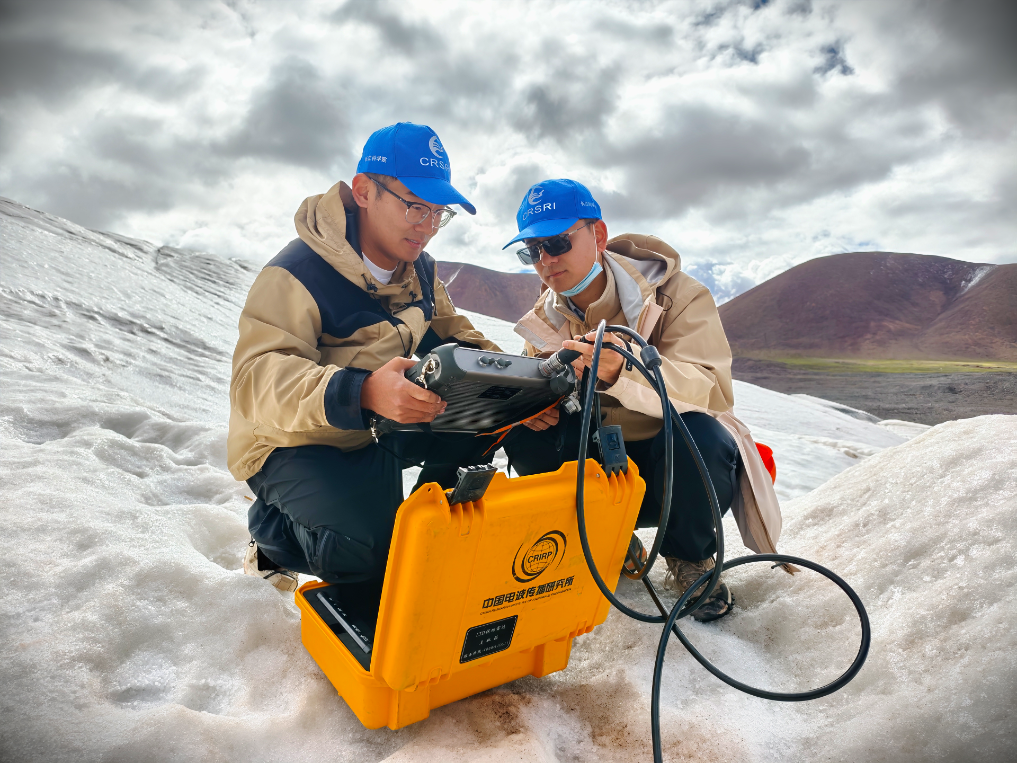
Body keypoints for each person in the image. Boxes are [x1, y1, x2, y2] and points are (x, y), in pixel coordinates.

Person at [228, 123, 502, 594]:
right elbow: (257, 379)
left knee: (485, 424)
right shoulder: (297, 273)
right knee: (365, 552)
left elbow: (453, 335)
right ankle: (273, 536)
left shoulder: (420, 269)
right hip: (288, 439)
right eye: (415, 206)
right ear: (363, 191)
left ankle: (427, 540)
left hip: (374, 425)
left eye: (438, 212)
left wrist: (518, 384)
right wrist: (364, 391)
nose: (427, 226)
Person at [503, 179, 783, 622]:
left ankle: (689, 557)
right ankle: (605, 537)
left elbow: (709, 387)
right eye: (532, 251)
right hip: (599, 470)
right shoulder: (543, 320)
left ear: (598, 235)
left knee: (703, 434)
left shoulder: (679, 296)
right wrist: (535, 408)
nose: (546, 261)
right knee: (523, 432)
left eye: (556, 242)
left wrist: (624, 371)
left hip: (669, 470)